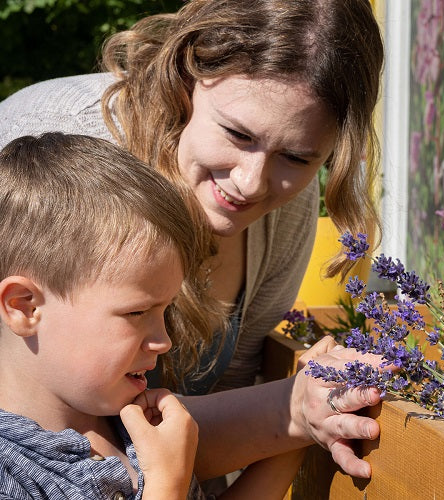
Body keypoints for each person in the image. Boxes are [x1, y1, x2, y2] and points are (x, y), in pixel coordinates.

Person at [0, 0, 386, 483]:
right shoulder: (56, 154)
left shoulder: (284, 209)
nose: (251, 183)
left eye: (296, 156)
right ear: (186, 77)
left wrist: (299, 416)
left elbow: (198, 437)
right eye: (238, 134)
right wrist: (288, 410)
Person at [0, 132, 308, 499]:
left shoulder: (131, 424)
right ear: (24, 307)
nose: (164, 341)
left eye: (166, 309)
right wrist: (167, 484)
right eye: (136, 311)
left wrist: (302, 425)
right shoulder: (13, 472)